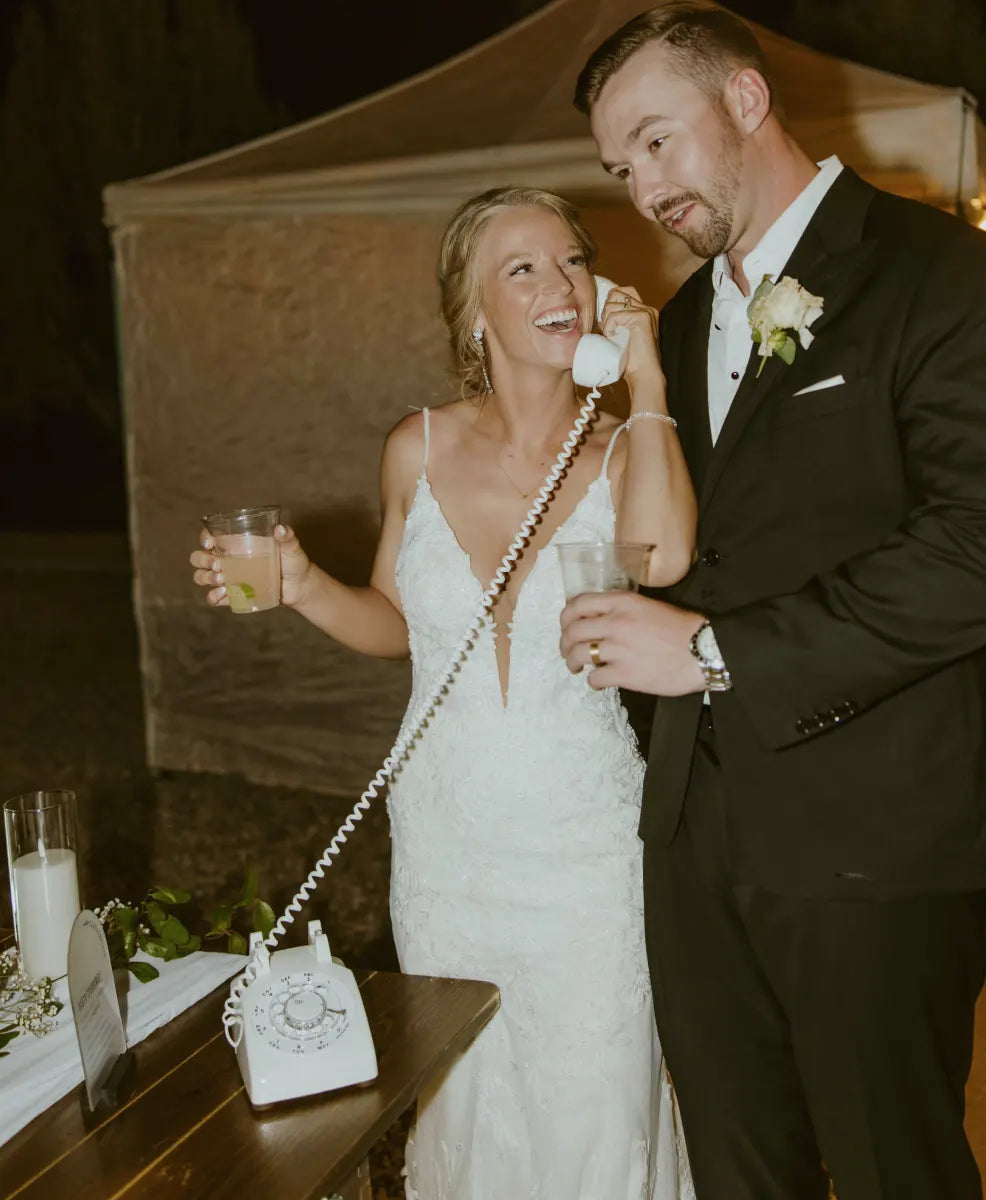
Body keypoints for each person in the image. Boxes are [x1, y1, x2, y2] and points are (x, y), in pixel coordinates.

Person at [562, 6, 986, 1198]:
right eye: (619, 166)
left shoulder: (944, 273)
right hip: (694, 838)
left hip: (879, 834)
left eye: (655, 142)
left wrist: (720, 652)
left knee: (896, 1170)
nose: (641, 188)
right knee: (741, 1171)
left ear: (743, 100)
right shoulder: (677, 328)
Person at [191, 186, 697, 1198]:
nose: (560, 283)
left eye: (571, 261)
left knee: (593, 1100)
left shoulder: (620, 452)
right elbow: (398, 625)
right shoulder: (415, 448)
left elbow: (666, 555)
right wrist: (301, 586)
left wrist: (644, 379)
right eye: (523, 268)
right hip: (449, 850)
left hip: (586, 852)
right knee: (467, 1096)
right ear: (472, 314)